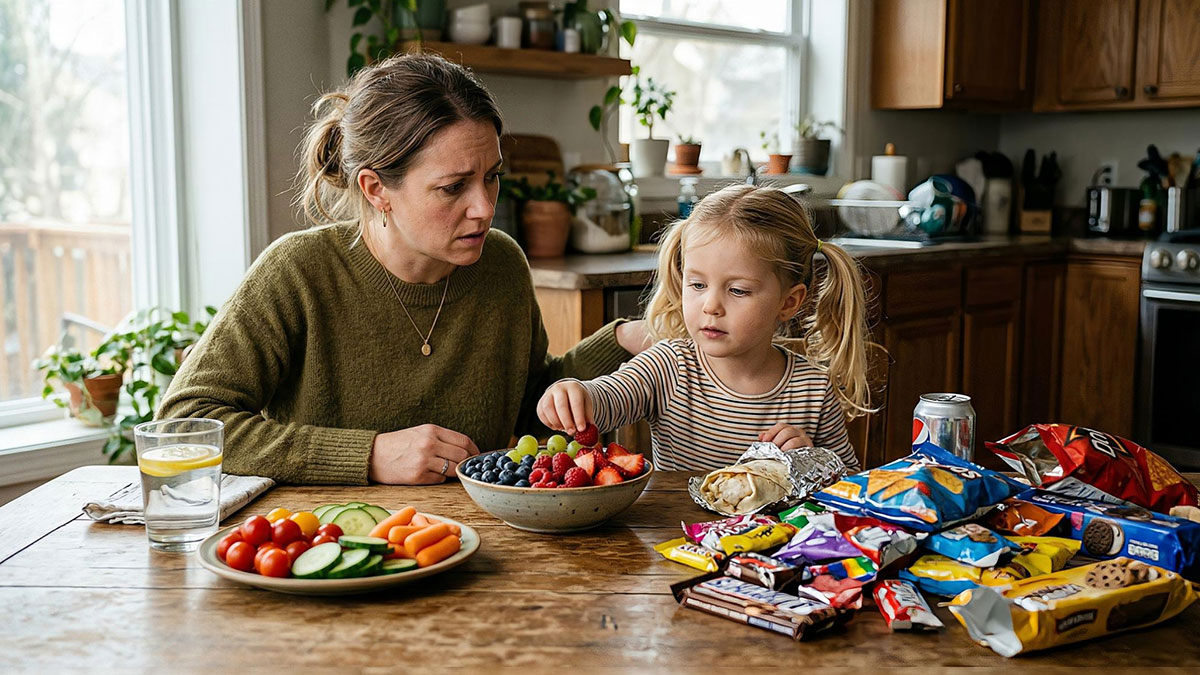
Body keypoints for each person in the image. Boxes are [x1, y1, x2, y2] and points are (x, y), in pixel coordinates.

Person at [157, 54, 645, 485]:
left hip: (483, 550)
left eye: (492, 177)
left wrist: (623, 339)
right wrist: (367, 455)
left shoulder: (502, 263)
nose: (484, 207)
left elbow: (530, 407)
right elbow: (181, 425)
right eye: (453, 187)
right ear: (375, 189)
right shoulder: (298, 272)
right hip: (328, 547)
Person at [537, 184, 876, 472]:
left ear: (788, 302)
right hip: (676, 545)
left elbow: (848, 485)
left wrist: (808, 461)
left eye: (738, 290)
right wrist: (575, 394)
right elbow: (609, 399)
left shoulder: (813, 390)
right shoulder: (668, 366)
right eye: (697, 285)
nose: (711, 306)